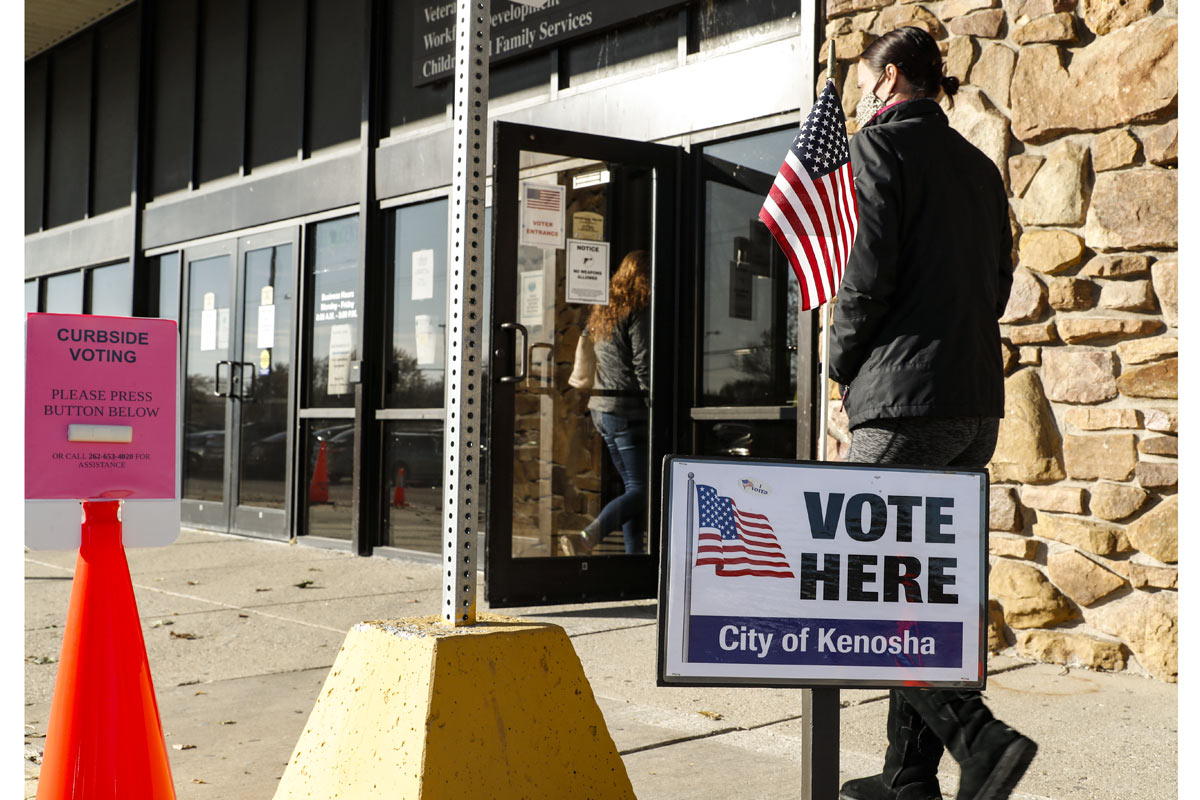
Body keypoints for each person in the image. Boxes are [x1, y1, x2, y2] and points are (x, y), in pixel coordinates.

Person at [829, 27, 1036, 800]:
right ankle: (909, 778)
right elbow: (997, 286)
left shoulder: (879, 150)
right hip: (972, 406)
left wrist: (841, 361)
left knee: (868, 588)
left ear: (888, 79)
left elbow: (869, 270)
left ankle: (981, 741)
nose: (859, 95)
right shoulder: (981, 169)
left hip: (902, 404)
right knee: (923, 594)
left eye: (863, 80)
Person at [568, 250, 651, 555]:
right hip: (627, 409)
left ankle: (633, 560)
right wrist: (652, 400)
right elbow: (643, 361)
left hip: (601, 409)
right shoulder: (638, 307)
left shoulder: (603, 310)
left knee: (633, 488)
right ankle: (587, 538)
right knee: (642, 490)